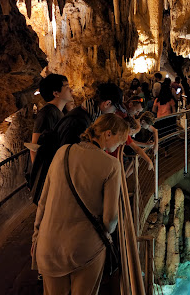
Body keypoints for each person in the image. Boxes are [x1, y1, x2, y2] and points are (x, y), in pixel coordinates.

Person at [32, 114, 129, 295]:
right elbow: (111, 218)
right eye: (120, 139)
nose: (120, 145)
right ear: (108, 134)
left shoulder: (63, 152)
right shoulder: (111, 165)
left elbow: (43, 201)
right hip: (84, 248)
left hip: (49, 245)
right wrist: (109, 232)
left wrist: (36, 236)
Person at [56, 83, 122, 147]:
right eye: (115, 109)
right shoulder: (79, 121)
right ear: (107, 103)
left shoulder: (84, 114)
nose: (114, 112)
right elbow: (69, 153)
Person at [30, 74, 73, 163]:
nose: (71, 90)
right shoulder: (47, 113)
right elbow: (34, 147)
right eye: (67, 87)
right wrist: (40, 175)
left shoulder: (58, 112)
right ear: (56, 93)